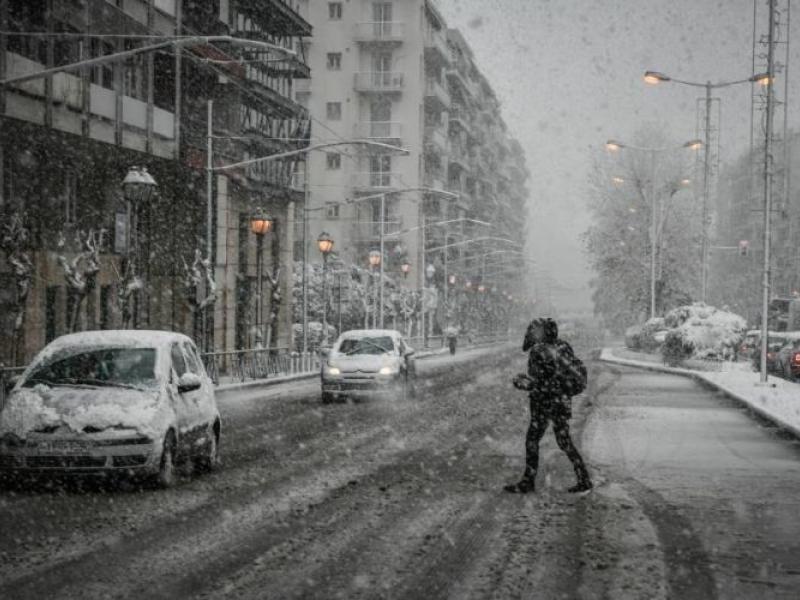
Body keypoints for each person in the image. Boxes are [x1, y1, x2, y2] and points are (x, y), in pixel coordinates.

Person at [505, 317, 592, 494]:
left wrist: (524, 383)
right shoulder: (563, 346)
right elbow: (558, 376)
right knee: (564, 441)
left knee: (532, 440)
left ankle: (528, 481)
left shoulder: (539, 350)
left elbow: (541, 381)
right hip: (562, 400)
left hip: (544, 401)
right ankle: (583, 478)